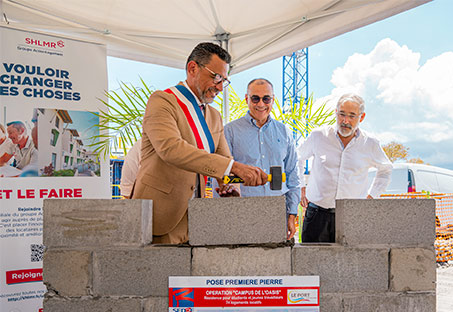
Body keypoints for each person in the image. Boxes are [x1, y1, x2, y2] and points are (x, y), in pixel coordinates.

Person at [132, 42, 267, 244]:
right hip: (161, 215)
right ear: (193, 68)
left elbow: (224, 159)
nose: (220, 87)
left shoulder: (214, 116)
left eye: (225, 80)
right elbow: (171, 149)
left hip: (200, 218)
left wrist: (229, 183)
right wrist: (233, 167)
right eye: (217, 77)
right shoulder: (162, 101)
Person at [298, 93, 392, 243]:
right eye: (342, 114)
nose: (345, 121)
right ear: (336, 112)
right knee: (312, 263)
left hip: (352, 216)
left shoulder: (370, 144)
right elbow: (298, 158)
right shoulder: (318, 136)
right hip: (316, 215)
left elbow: (385, 170)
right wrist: (301, 186)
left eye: (352, 116)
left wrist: (371, 196)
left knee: (351, 264)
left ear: (361, 117)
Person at [224, 78, 300, 240]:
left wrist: (292, 214)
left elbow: (293, 176)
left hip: (277, 211)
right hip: (242, 211)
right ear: (246, 99)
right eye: (255, 98)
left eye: (266, 99)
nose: (261, 104)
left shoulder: (284, 132)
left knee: (276, 262)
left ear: (273, 100)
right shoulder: (230, 131)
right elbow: (224, 175)